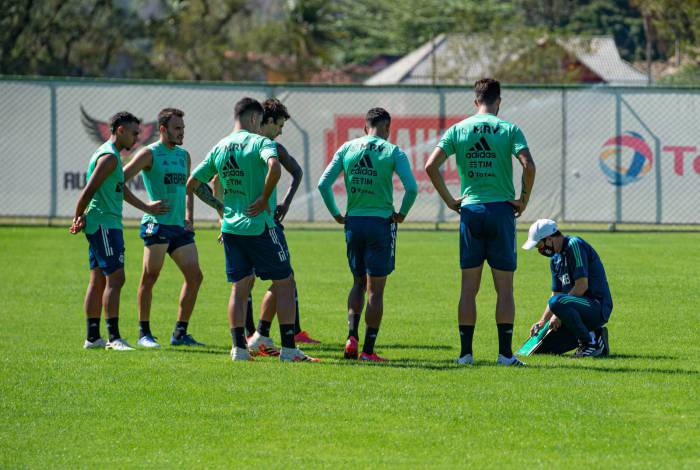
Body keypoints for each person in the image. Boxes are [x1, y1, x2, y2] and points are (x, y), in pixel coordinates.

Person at [187, 97, 317, 362]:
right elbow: (274, 167)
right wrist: (263, 198)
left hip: (232, 228)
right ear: (255, 119)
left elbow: (193, 183)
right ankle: (289, 349)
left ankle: (239, 349)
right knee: (285, 283)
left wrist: (222, 207)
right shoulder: (261, 143)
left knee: (240, 287)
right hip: (261, 226)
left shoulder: (220, 146)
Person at [424, 78, 536, 366]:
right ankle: (505, 355)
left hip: (471, 212)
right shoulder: (509, 129)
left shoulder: (459, 129)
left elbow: (430, 166)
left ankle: (465, 355)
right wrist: (523, 199)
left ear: (476, 102)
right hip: (501, 212)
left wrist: (450, 200)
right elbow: (529, 165)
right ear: (498, 102)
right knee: (505, 289)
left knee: (468, 289)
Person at [318, 107, 418, 362]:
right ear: (387, 128)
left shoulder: (348, 148)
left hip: (353, 223)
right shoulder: (393, 151)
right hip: (380, 224)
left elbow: (323, 184)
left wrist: (336, 214)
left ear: (365, 128)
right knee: (376, 291)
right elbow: (412, 189)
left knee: (358, 283)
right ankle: (368, 351)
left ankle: (352, 336)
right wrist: (402, 213)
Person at [70, 111, 168, 351]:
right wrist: (77, 216)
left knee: (99, 279)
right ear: (120, 130)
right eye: (134, 133)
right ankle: (113, 338)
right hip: (104, 224)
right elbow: (89, 189)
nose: (137, 138)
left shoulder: (111, 156)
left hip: (103, 223)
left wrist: (146, 207)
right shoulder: (109, 157)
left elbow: (119, 188)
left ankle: (93, 337)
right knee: (116, 278)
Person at [123, 108, 205, 349]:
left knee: (195, 277)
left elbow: (189, 187)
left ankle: (180, 333)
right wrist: (145, 207)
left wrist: (190, 216)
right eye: (177, 128)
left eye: (183, 128)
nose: (181, 133)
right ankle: (144, 333)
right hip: (156, 225)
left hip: (179, 227)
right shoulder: (149, 154)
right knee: (150, 277)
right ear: (162, 129)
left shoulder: (183, 155)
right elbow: (117, 180)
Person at [522, 219, 612, 357]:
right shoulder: (555, 260)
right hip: (574, 307)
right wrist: (542, 321)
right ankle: (596, 335)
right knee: (543, 350)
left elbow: (582, 286)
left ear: (549, 239)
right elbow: (555, 295)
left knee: (557, 302)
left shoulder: (574, 245)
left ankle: (589, 344)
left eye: (539, 245)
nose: (540, 250)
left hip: (597, 306)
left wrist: (558, 314)